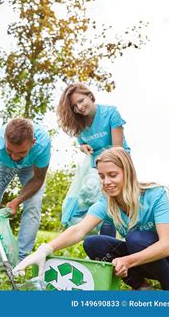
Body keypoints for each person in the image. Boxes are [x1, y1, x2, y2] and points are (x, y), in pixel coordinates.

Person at [14, 147, 169, 290]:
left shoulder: (155, 194)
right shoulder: (107, 202)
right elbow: (79, 230)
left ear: (128, 173)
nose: (106, 181)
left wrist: (128, 261)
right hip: (149, 263)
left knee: (136, 238)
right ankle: (143, 287)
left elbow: (167, 245)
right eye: (102, 176)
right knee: (93, 244)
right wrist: (45, 249)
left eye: (113, 175)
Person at [57, 82, 131, 237]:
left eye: (81, 101)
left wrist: (106, 177)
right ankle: (93, 243)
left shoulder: (111, 113)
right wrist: (83, 147)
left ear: (90, 96)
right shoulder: (78, 122)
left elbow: (119, 150)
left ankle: (108, 246)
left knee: (108, 202)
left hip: (117, 163)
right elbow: (82, 143)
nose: (79, 107)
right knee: (84, 202)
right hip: (93, 166)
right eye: (75, 106)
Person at [0, 118, 51, 260]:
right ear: (5, 141)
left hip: (31, 167)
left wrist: (17, 201)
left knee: (33, 204)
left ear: (33, 143)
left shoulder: (43, 145)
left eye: (21, 153)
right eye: (10, 150)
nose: (14, 156)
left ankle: (21, 259)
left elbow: (38, 179)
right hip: (4, 165)